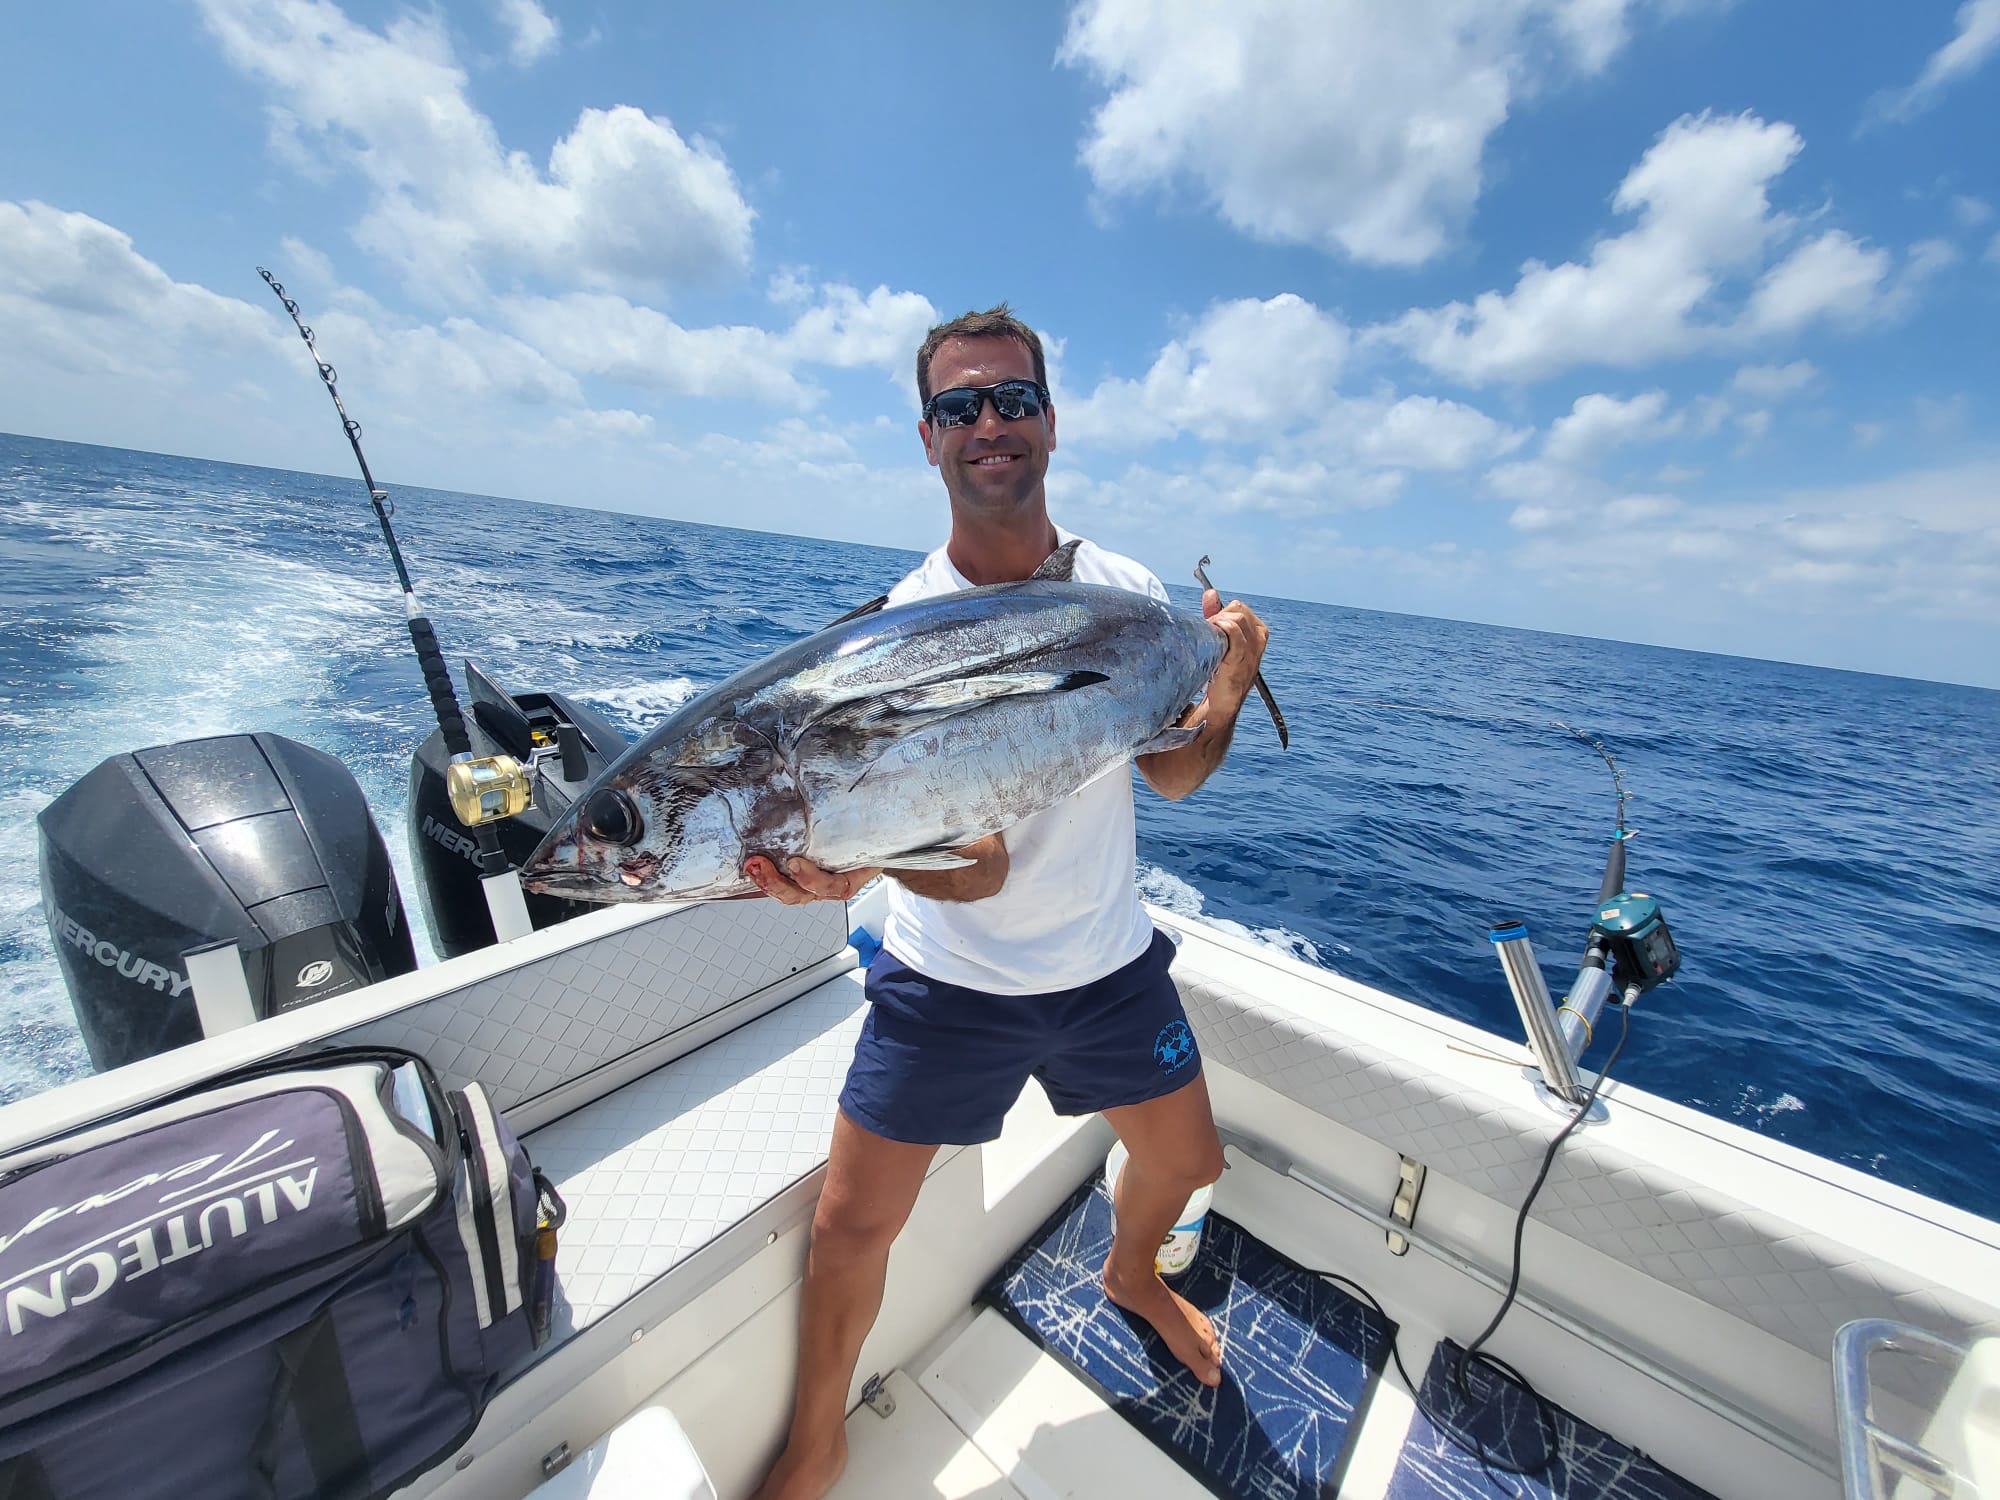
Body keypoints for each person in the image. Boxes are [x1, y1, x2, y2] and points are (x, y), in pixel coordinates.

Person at [744, 305, 1271, 1500]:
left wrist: (1228, 688)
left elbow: (1173, 774)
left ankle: (1129, 1274)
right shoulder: (895, 636)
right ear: (927, 437)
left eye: (1011, 398)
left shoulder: (1127, 595)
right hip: (950, 983)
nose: (988, 421)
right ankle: (817, 1440)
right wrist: (862, 857)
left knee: (1189, 1163)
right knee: (849, 1225)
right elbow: (974, 868)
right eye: (958, 405)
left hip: (1106, 966)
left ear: (1048, 422)